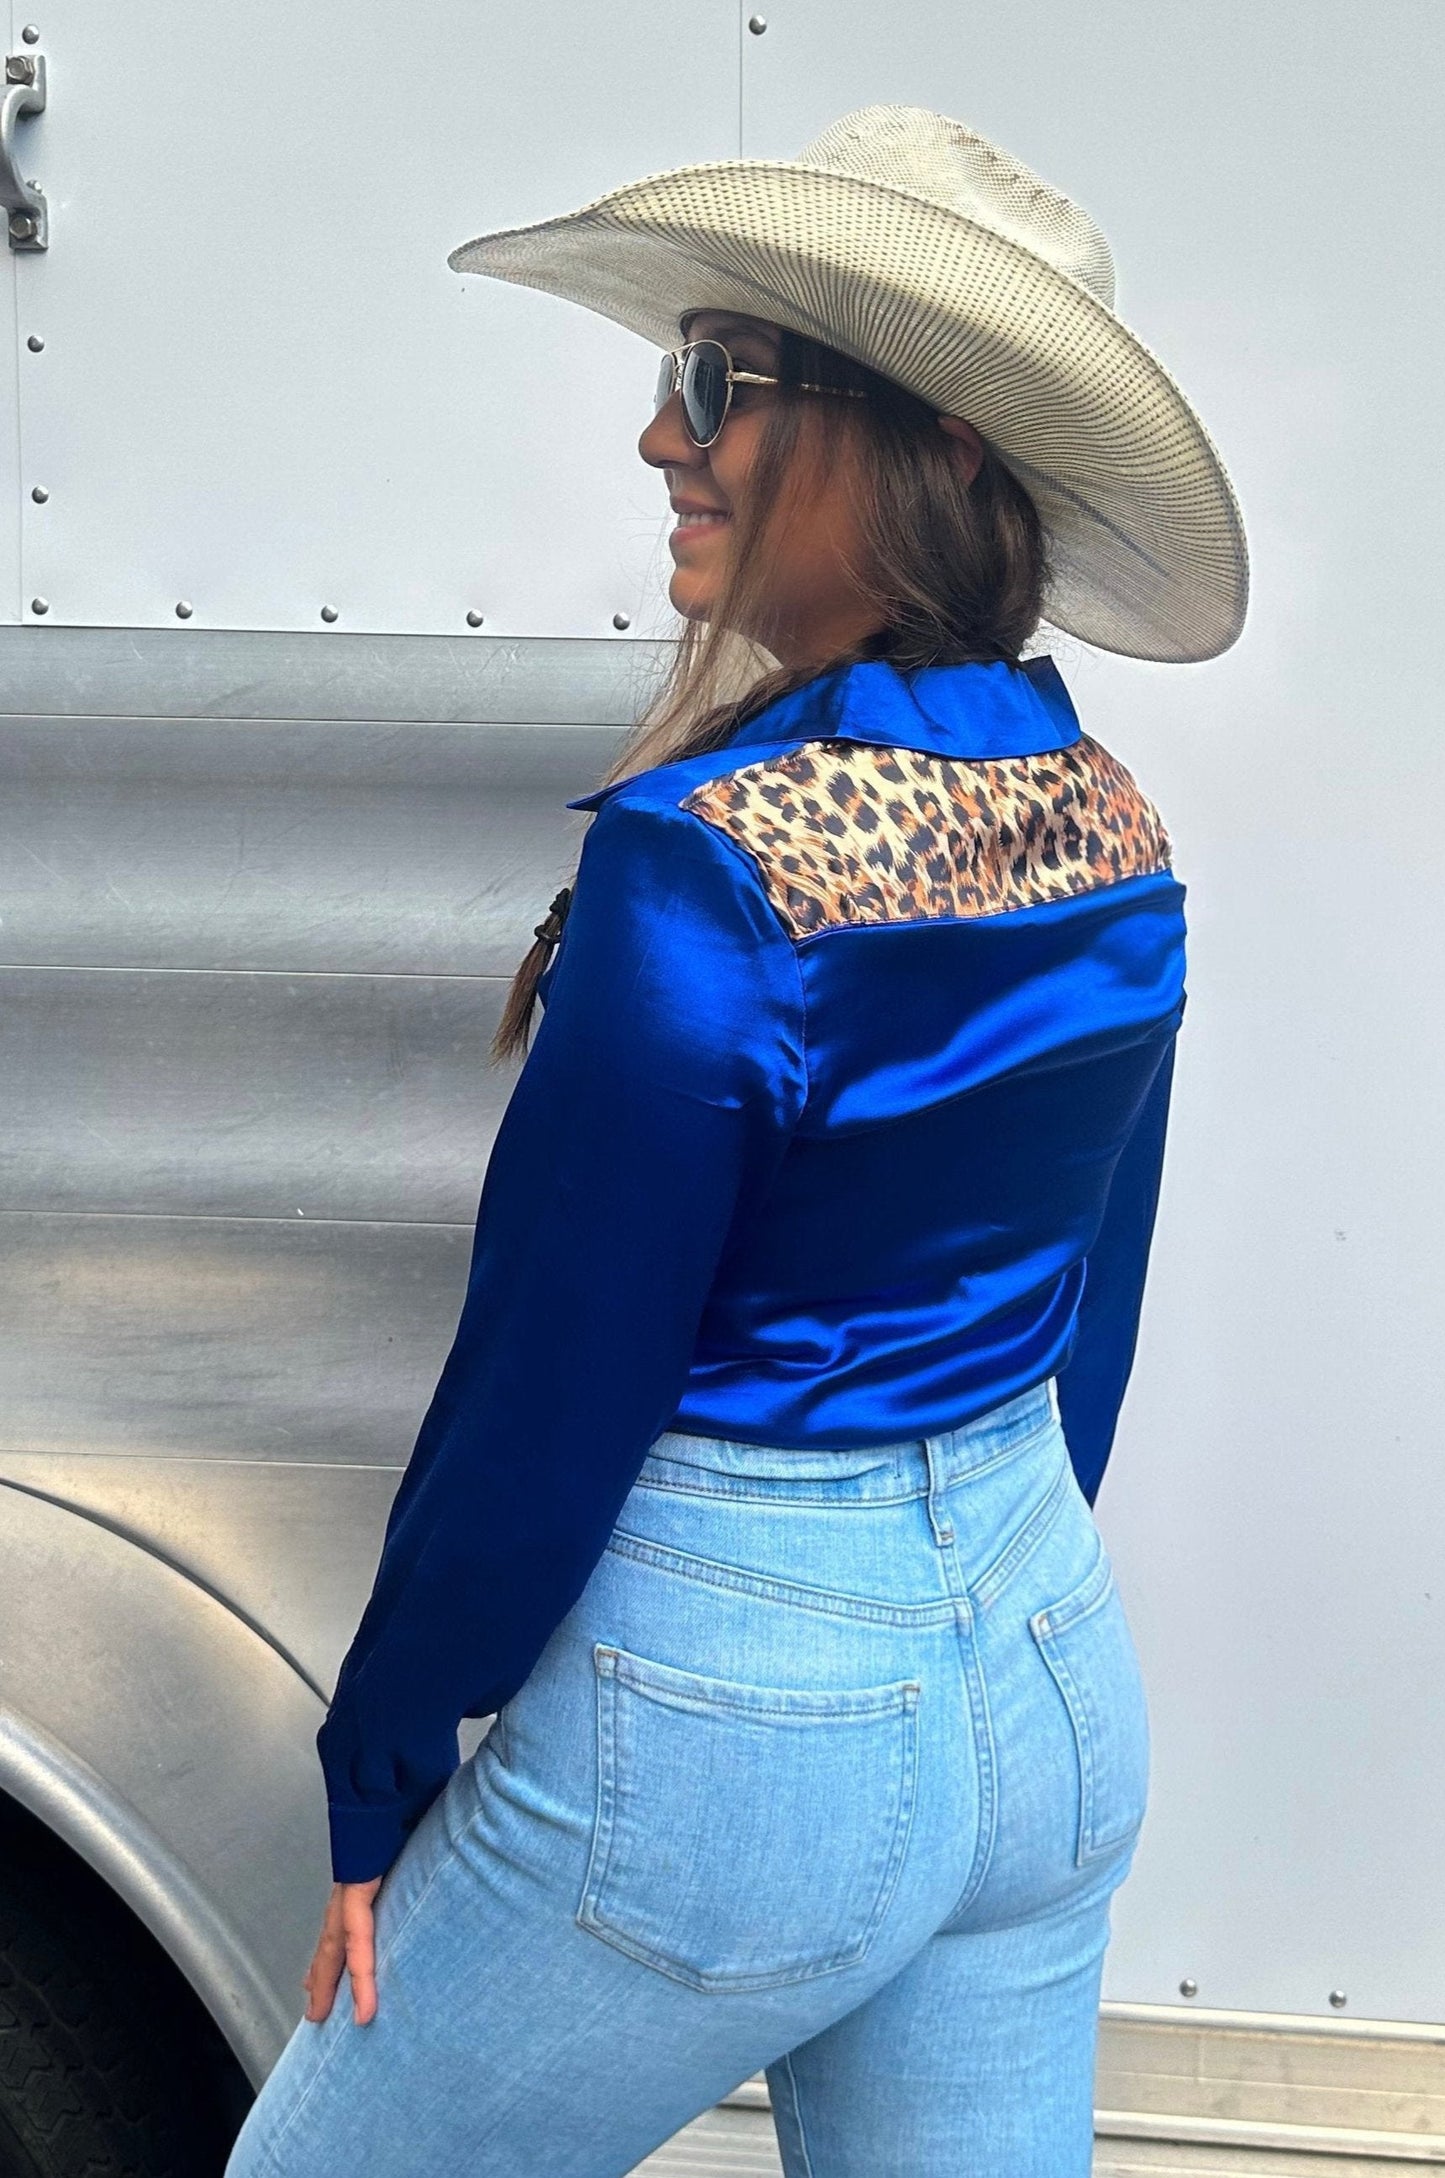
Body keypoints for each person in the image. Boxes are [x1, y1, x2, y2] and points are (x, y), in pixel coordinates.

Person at [226, 103, 1246, 2178]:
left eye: (715, 381)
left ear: (923, 446)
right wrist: (970, 1618)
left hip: (750, 1717)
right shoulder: (1115, 830)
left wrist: (382, 1756)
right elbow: (1088, 1325)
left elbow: (549, 1383)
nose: (657, 439)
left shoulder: (710, 865)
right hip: (1049, 1673)